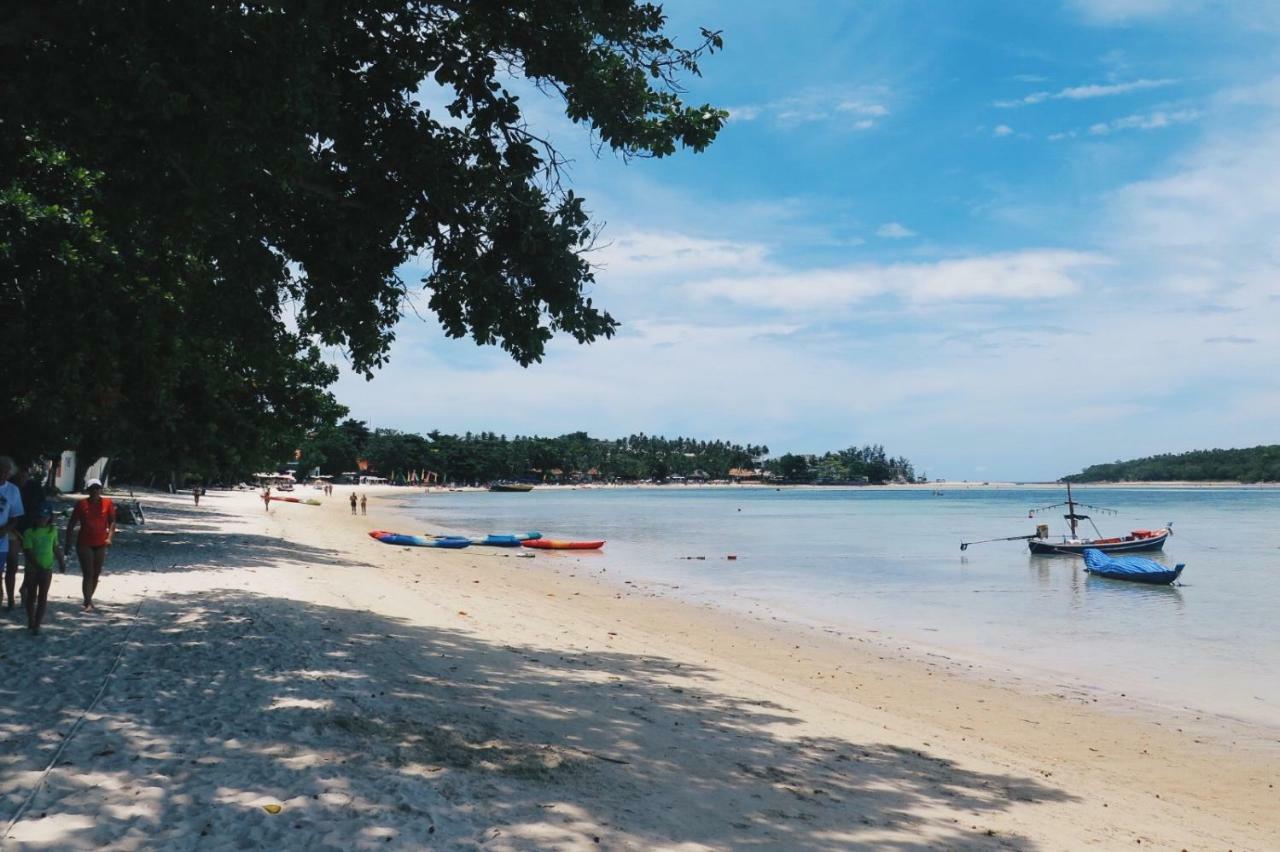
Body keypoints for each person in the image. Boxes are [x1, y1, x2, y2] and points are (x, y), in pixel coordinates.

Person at [65, 478, 115, 611]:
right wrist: (68, 543)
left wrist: (109, 537)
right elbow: (72, 523)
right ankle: (88, 602)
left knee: (96, 573)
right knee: (88, 572)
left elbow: (112, 522)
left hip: (101, 542)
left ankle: (89, 597)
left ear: (100, 489)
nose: (95, 491)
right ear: (88, 490)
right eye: (92, 488)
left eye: (97, 488)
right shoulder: (81, 505)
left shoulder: (107, 503)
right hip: (84, 542)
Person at [22, 504, 66, 633]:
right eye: (40, 516)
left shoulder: (53, 530)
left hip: (47, 568)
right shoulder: (29, 532)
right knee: (31, 596)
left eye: (45, 516)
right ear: (35, 518)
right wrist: (37, 566)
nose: (42, 519)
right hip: (32, 569)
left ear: (49, 517)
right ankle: (30, 620)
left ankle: (37, 623)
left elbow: (55, 547)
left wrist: (61, 561)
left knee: (43, 596)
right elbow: (28, 552)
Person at [0, 457, 25, 611]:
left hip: (4, 534)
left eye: (5, 472)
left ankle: (10, 598)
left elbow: (15, 517)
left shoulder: (12, 490)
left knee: (11, 567)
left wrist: (5, 529)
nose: (2, 474)